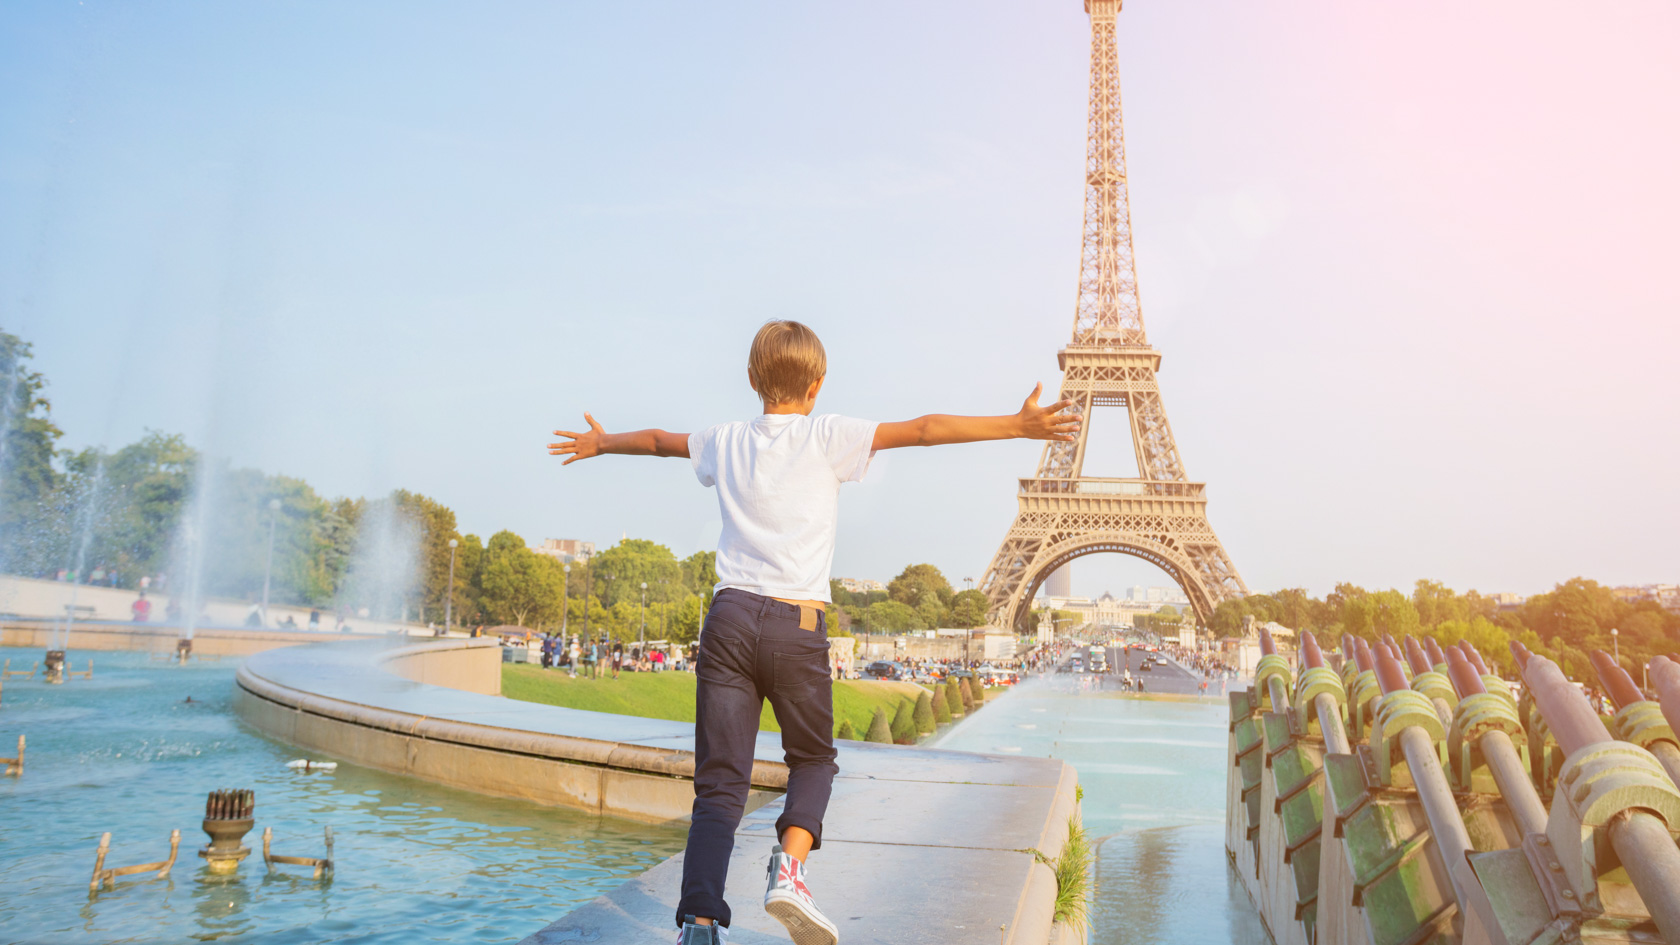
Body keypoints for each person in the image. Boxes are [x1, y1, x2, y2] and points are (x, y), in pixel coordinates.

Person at [548, 319, 1077, 945]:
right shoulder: (829, 436)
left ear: (751, 380)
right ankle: (789, 871)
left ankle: (697, 922)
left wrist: (603, 443)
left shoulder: (726, 440)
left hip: (728, 620)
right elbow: (926, 430)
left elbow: (664, 441)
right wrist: (1015, 426)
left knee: (719, 783)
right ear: (818, 386)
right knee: (814, 760)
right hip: (795, 627)